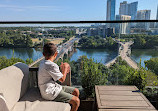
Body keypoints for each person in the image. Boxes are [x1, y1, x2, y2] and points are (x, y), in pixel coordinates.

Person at [38, 42, 80, 111]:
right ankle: (73, 104)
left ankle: (71, 106)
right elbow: (62, 79)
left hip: (54, 87)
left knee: (76, 91)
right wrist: (65, 68)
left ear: (43, 54)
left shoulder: (43, 63)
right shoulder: (51, 65)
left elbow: (53, 73)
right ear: (56, 54)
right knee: (76, 101)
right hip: (50, 92)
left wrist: (62, 70)